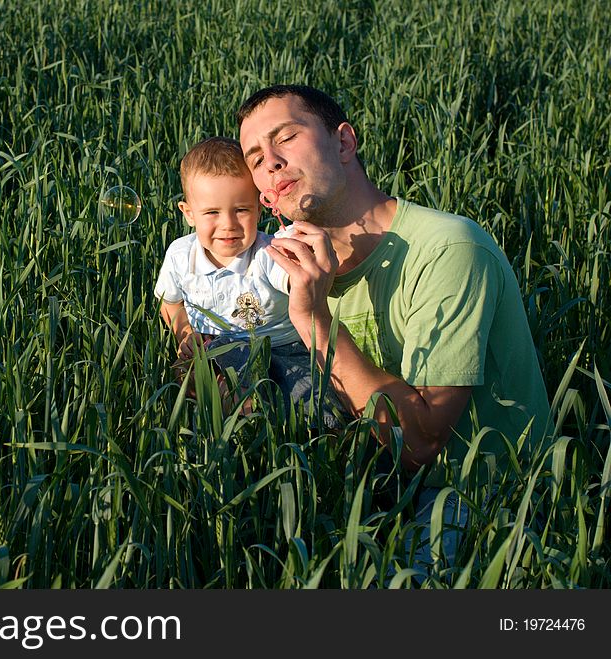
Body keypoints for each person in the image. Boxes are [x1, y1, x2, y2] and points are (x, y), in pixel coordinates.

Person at [236, 85, 550, 572]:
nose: (271, 162)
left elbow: (423, 442)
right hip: (375, 478)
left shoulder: (448, 249)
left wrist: (314, 320)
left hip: (482, 496)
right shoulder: (285, 271)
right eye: (255, 158)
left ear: (343, 143)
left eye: (287, 138)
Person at [154, 136, 344, 427]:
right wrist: (185, 335)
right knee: (198, 373)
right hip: (216, 348)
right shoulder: (180, 256)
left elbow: (296, 280)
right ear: (189, 214)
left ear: (259, 207)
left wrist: (303, 259)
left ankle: (291, 424)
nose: (228, 224)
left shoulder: (268, 253)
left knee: (322, 408)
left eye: (241, 210)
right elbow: (171, 304)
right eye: (212, 213)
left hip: (284, 349)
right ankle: (236, 422)